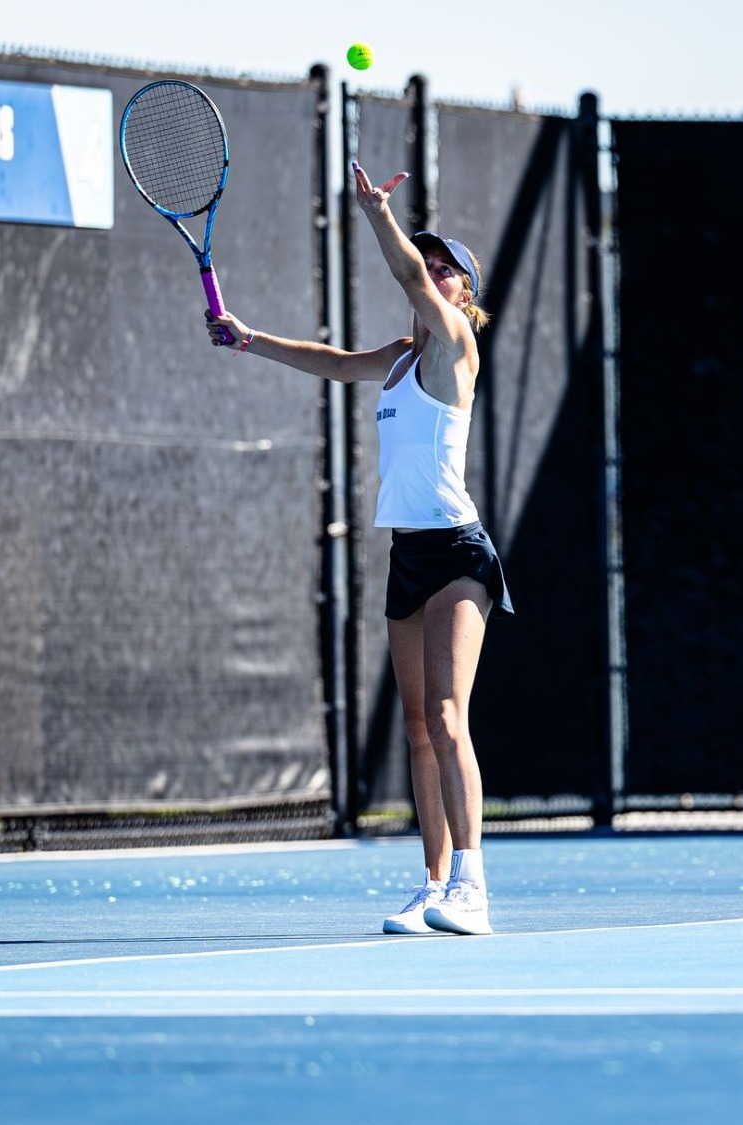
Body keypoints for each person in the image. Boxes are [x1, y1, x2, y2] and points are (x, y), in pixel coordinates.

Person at [204, 161, 513, 937]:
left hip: (458, 554)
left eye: (447, 271)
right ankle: (435, 881)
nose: (433, 275)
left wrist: (379, 214)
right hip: (407, 553)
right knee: (415, 724)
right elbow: (337, 364)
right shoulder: (402, 358)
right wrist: (248, 340)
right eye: (430, 265)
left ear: (463, 296)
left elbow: (407, 273)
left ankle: (475, 886)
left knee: (448, 715)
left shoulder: (452, 350)